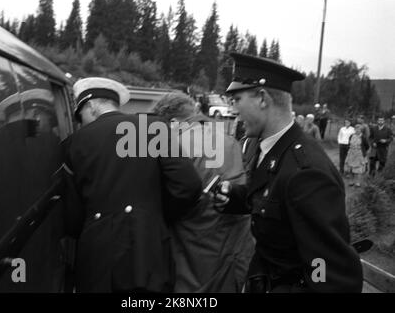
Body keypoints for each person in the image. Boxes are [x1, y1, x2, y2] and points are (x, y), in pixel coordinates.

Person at [213, 53, 362, 293]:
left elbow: (325, 268)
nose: (234, 109)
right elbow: (275, 203)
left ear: (262, 98)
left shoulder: (307, 172)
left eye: (237, 99)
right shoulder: (273, 149)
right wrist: (235, 197)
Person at [63, 77, 202, 293]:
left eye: (80, 116)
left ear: (91, 105)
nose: (81, 123)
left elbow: (72, 218)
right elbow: (188, 185)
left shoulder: (74, 144)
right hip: (147, 252)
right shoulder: (152, 127)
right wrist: (154, 215)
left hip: (97, 261)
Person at [152, 93, 254, 293]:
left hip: (191, 250)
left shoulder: (176, 145)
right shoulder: (228, 140)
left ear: (173, 122)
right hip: (233, 247)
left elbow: (165, 199)